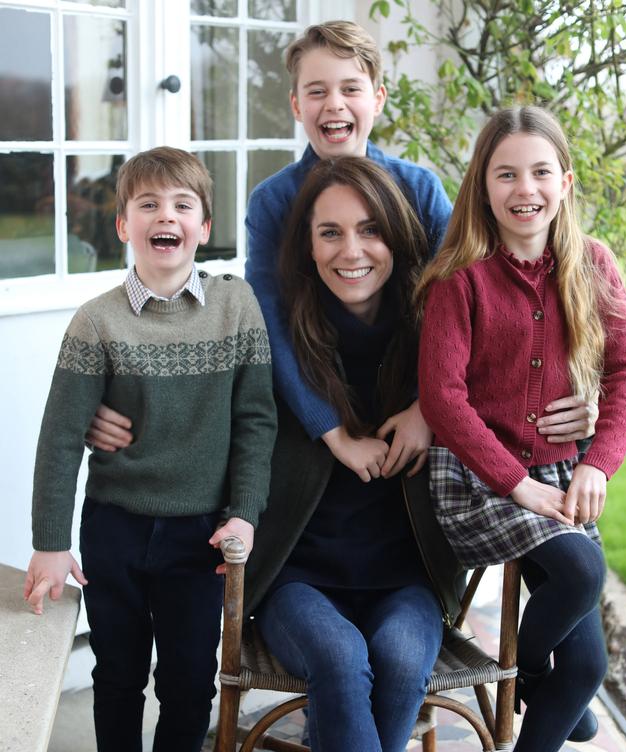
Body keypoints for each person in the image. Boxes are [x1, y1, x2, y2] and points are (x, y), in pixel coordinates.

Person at [85, 22, 596, 465]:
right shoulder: (273, 202)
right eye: (316, 91)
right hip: (314, 411)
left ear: (377, 98)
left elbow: (476, 307)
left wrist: (427, 411)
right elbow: (268, 327)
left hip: (413, 405)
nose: (334, 104)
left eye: (351, 88)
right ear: (295, 104)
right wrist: (330, 430)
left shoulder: (419, 190)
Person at [24, 147, 277, 752]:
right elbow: (62, 435)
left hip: (200, 536)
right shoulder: (96, 323)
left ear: (202, 226)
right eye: (148, 205)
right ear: (123, 224)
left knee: (191, 681)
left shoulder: (236, 307)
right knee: (118, 676)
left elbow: (256, 422)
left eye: (181, 206)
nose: (165, 216)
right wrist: (48, 542)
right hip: (117, 527)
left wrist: (246, 513)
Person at [417, 106, 626, 752]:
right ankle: (528, 672)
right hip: (476, 476)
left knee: (588, 669)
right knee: (581, 574)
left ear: (566, 182)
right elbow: (444, 400)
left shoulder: (596, 265)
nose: (526, 189)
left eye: (541, 172)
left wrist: (594, 466)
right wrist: (516, 482)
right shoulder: (461, 282)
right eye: (507, 173)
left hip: (555, 474)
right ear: (483, 186)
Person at [244, 155, 449, 752]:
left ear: (399, 238)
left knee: (400, 661)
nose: (351, 249)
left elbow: (524, 376)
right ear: (307, 244)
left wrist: (582, 413)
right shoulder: (278, 334)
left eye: (369, 229)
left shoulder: (437, 330)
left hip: (403, 574)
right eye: (330, 231)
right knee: (339, 662)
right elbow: (192, 395)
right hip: (301, 576)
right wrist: (113, 416)